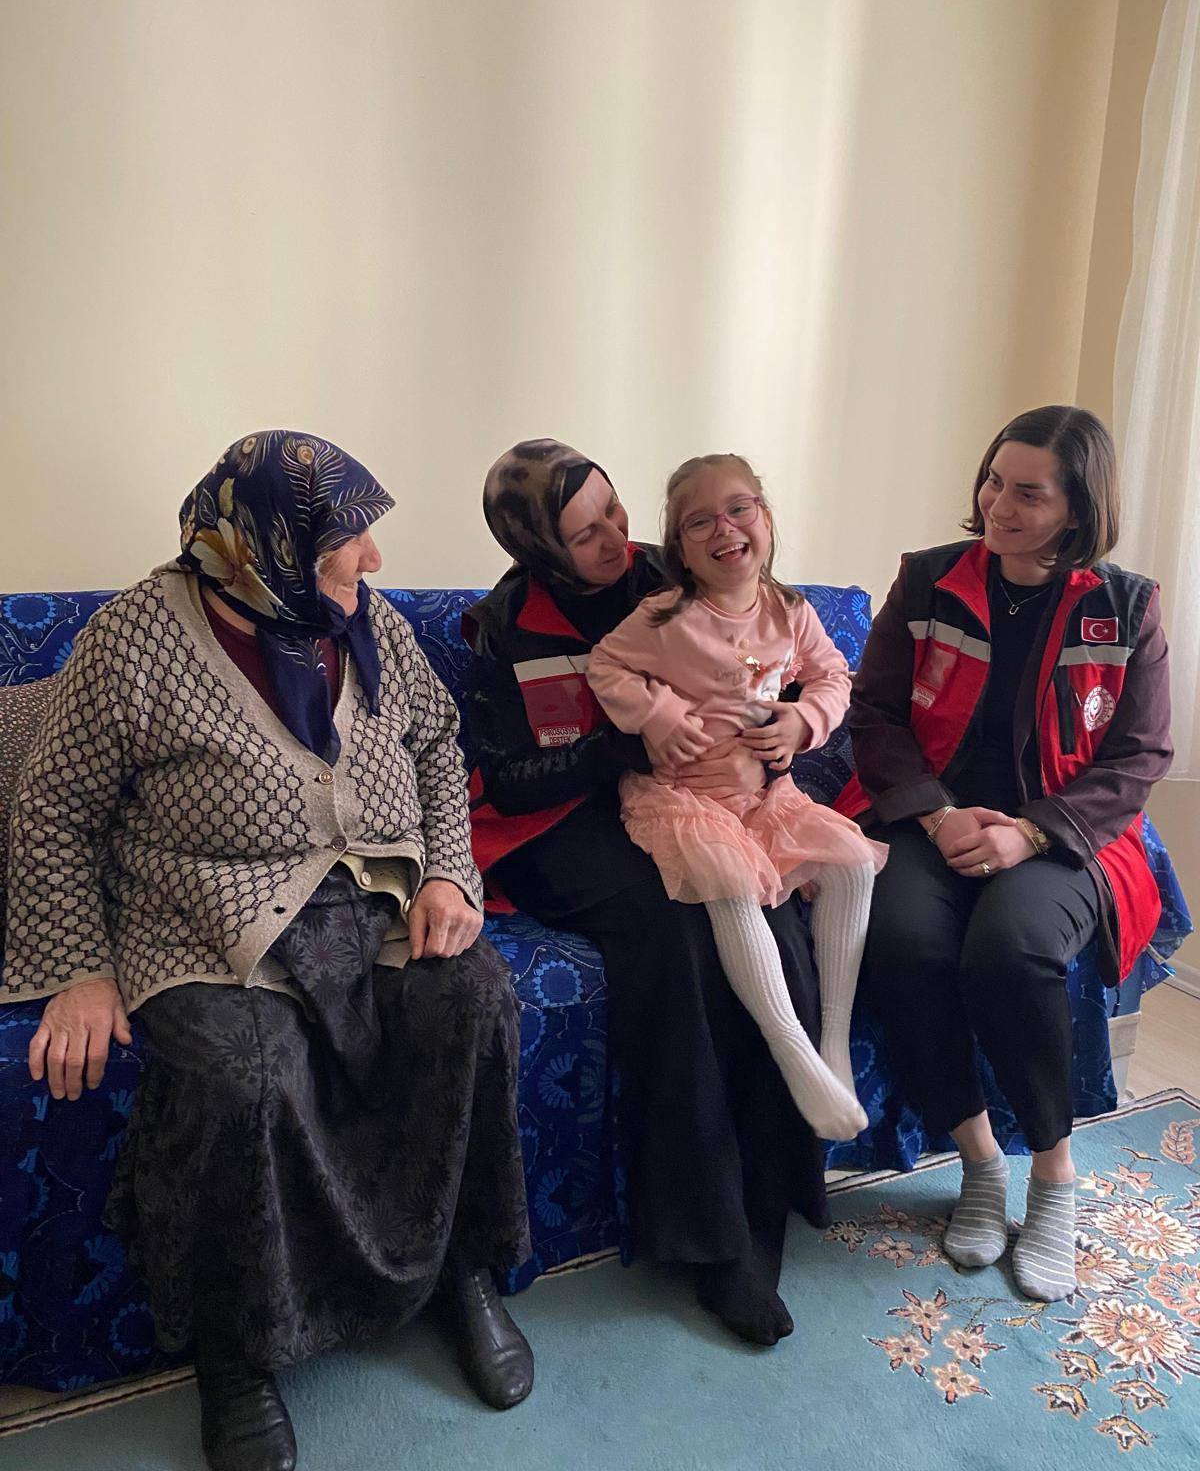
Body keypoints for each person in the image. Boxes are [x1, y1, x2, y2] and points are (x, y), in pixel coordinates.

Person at [1, 431, 533, 1471]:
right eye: (347, 542)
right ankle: (237, 1350)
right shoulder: (135, 639)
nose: (374, 561)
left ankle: (459, 1270)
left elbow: (435, 746)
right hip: (205, 913)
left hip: (376, 896)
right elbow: (55, 808)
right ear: (266, 546)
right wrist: (81, 970)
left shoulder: (365, 619)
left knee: (471, 1001)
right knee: (242, 1071)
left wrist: (446, 875)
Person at [463, 439, 834, 1349]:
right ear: (538, 547)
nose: (614, 541)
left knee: (773, 917)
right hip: (566, 827)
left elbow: (777, 661)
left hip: (694, 798)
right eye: (584, 534)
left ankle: (775, 1193)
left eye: (615, 513)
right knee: (678, 934)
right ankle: (710, 1239)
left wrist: (787, 729)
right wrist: (625, 745)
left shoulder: (675, 572)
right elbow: (508, 781)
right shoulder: (504, 626)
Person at [839, 405, 1172, 1302]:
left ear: (1078, 507)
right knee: (901, 941)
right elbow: (876, 714)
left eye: (1028, 493)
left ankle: (1054, 1178)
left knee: (1010, 950)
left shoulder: (1128, 607)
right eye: (993, 481)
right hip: (932, 816)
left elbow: (1139, 755)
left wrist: (1028, 833)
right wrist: (939, 816)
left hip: (1061, 834)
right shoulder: (928, 579)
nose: (998, 505)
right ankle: (979, 1160)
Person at [585, 454, 887, 1141]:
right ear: (682, 549)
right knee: (730, 880)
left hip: (762, 797)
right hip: (683, 798)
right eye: (699, 522)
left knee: (851, 863)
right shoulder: (665, 617)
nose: (724, 528)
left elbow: (833, 675)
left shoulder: (790, 611)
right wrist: (657, 715)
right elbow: (606, 664)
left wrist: (803, 721)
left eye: (739, 509)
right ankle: (791, 1047)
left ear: (766, 519)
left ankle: (832, 1041)